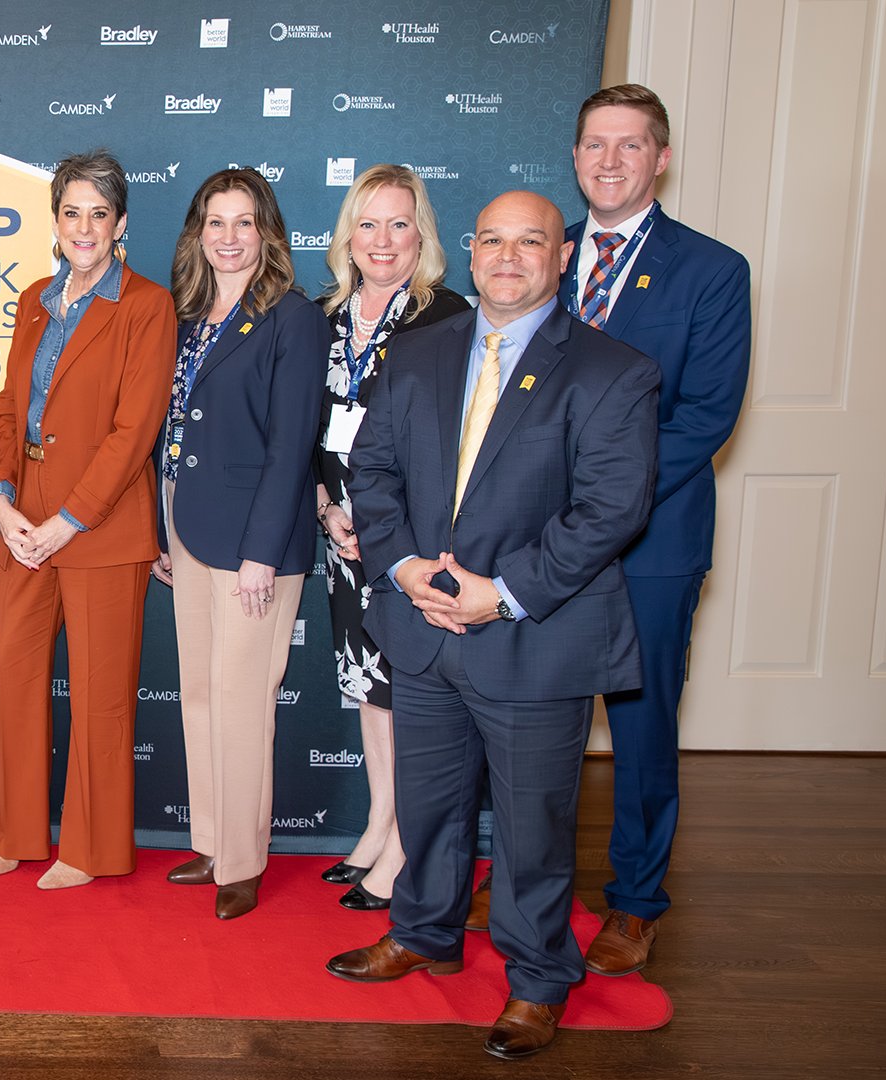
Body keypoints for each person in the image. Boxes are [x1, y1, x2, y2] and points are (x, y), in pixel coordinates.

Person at [325, 191, 659, 1061]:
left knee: (533, 828)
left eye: (531, 242)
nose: (508, 258)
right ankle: (425, 932)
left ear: (562, 257)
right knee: (430, 808)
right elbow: (374, 470)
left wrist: (500, 592)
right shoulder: (417, 352)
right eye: (494, 242)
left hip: (533, 636)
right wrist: (400, 569)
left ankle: (540, 978)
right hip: (425, 624)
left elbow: (608, 511)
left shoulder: (611, 370)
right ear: (471, 253)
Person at [564, 83, 752, 976]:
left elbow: (705, 417)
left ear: (660, 159)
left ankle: (636, 901)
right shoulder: (539, 255)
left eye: (629, 146)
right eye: (595, 145)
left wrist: (595, 501)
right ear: (575, 158)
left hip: (651, 543)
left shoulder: (711, 271)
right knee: (537, 723)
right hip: (538, 547)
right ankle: (530, 876)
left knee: (640, 731)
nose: (609, 161)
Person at [0, 150, 178, 891]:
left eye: (100, 214)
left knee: (100, 698)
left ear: (120, 224)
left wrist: (68, 519)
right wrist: (2, 500)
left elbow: (135, 432)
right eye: (72, 213)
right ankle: (18, 833)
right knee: (16, 680)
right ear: (55, 223)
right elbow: (7, 410)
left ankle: (91, 849)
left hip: (99, 528)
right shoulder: (35, 297)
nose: (84, 227)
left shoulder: (147, 306)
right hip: (23, 522)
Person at [153, 168, 328, 919]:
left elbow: (293, 448)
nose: (228, 237)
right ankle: (212, 839)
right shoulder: (190, 315)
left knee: (242, 697)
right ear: (198, 234)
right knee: (198, 691)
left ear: (268, 233)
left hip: (254, 540)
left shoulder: (291, 318)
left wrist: (261, 552)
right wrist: (162, 527)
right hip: (188, 526)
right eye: (215, 223)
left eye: (244, 222)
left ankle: (245, 861)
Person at [311, 165, 471, 912]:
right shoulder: (323, 317)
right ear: (348, 235)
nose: (382, 240)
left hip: (409, 543)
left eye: (398, 224)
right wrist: (325, 508)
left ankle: (409, 846)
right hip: (340, 536)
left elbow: (450, 445)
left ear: (422, 236)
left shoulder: (447, 320)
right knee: (371, 692)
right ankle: (379, 824)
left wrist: (378, 531)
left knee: (411, 693)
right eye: (368, 224)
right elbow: (305, 433)